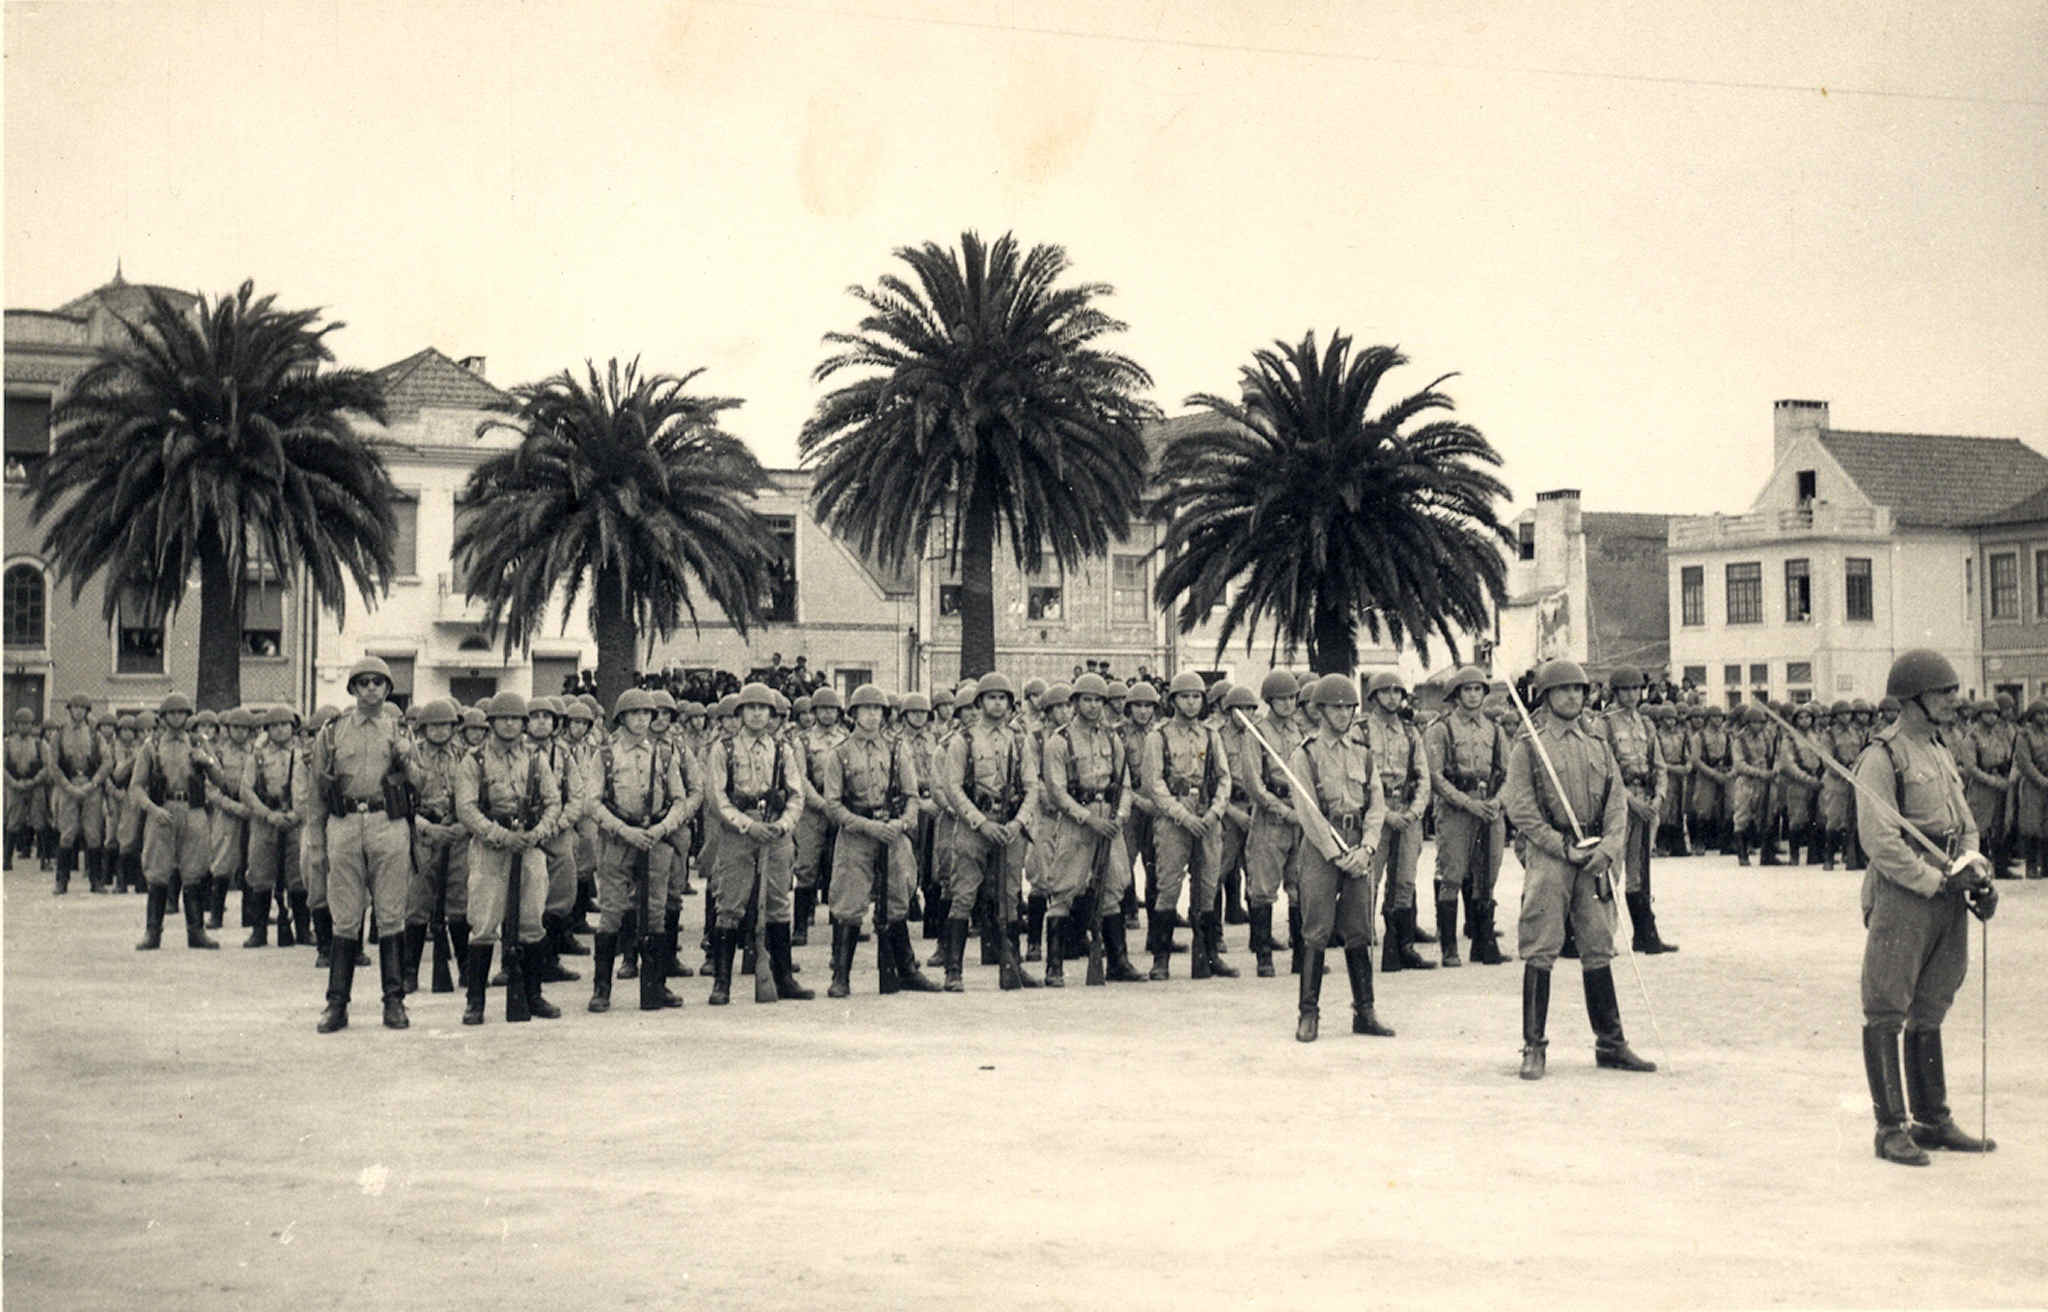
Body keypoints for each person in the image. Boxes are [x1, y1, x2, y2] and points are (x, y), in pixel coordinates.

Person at [1855, 650, 1998, 1165]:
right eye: (1944, 692)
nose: (1953, 701)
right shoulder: (1883, 757)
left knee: (1933, 1002)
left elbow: (1965, 822)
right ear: (1913, 698)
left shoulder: (1939, 749)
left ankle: (1932, 1119)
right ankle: (1890, 1128)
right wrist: (1935, 881)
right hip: (1905, 893)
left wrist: (1975, 870)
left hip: (1948, 891)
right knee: (1887, 1005)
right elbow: (1880, 840)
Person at [1502, 659, 1656, 1081]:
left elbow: (1616, 801)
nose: (1573, 696)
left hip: (1594, 857)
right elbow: (1520, 807)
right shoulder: (1529, 745)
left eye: (1578, 689)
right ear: (1546, 696)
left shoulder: (1598, 743)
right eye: (1563, 689)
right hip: (1551, 856)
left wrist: (1608, 848)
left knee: (1598, 943)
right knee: (1541, 945)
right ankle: (1534, 1046)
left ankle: (1611, 1043)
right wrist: (1560, 847)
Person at [1286, 674, 1391, 1042]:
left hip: (1358, 844)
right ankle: (1308, 1013)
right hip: (1322, 849)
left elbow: (1376, 804)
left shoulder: (1363, 753)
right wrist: (1335, 854)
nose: (1344, 714)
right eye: (1336, 707)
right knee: (1316, 928)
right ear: (1320, 711)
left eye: (1349, 707)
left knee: (1360, 927)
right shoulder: (1305, 754)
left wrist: (1368, 847)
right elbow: (1308, 812)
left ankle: (1365, 1011)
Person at [312, 659, 415, 1032]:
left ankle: (394, 1002)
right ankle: (336, 1005)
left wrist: (405, 756)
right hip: (344, 823)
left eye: (378, 682)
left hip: (388, 822)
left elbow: (421, 783)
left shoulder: (400, 729)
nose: (371, 688)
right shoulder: (332, 732)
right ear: (353, 689)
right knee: (345, 916)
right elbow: (317, 792)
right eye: (363, 682)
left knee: (391, 914)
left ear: (387, 689)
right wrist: (316, 842)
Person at [820, 684, 939, 995]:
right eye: (866, 709)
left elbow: (912, 796)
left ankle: (906, 970)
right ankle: (841, 976)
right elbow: (833, 805)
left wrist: (901, 823)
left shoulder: (898, 749)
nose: (872, 715)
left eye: (877, 709)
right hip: (857, 835)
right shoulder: (840, 753)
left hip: (892, 834)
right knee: (849, 903)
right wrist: (867, 826)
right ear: (854, 713)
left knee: (898, 899)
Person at [455, 692, 563, 1025]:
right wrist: (501, 836)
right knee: (484, 923)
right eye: (503, 718)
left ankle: (533, 995)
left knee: (532, 921)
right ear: (491, 723)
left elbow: (553, 802)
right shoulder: (474, 761)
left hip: (529, 848)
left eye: (516, 719)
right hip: (490, 850)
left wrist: (538, 832)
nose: (510, 724)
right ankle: (475, 1001)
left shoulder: (536, 759)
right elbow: (466, 809)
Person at [705, 682, 812, 1004]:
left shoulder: (782, 749)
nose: (756, 714)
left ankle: (784, 978)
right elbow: (717, 798)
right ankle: (722, 982)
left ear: (771, 714)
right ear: (739, 713)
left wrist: (783, 825)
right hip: (738, 833)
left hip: (775, 832)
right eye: (750, 708)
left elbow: (796, 794)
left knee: (778, 903)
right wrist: (747, 825)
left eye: (763, 709)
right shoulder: (723, 749)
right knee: (730, 904)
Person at [589, 688, 693, 1013]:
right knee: (612, 911)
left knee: (656, 913)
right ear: (621, 717)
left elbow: (679, 799)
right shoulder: (606, 755)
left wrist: (662, 829)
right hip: (618, 839)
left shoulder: (663, 754)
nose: (642, 719)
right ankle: (601, 988)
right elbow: (593, 802)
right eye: (634, 713)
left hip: (654, 838)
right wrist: (624, 831)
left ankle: (655, 985)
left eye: (647, 713)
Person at [1038, 673, 1144, 985]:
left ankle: (1118, 962)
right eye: (1087, 700)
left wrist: (1120, 815)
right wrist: (1087, 818)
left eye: (1099, 700)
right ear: (1074, 702)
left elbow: (1125, 783)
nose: (1093, 706)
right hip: (1077, 822)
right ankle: (1054, 967)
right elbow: (1057, 790)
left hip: (1109, 820)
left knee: (1113, 887)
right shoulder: (1059, 741)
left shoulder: (1112, 739)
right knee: (1064, 888)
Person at [1143, 671, 1235, 980]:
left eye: (1196, 697)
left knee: (1207, 886)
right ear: (1173, 701)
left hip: (1207, 817)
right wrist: (1183, 816)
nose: (1191, 703)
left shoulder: (1211, 735)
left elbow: (1224, 778)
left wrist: (1215, 812)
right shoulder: (1158, 736)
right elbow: (1154, 784)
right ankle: (1161, 959)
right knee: (1168, 886)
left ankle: (1208, 956)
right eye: (1185, 697)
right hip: (1173, 819)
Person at [1425, 665, 1512, 968]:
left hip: (1489, 809)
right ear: (1456, 694)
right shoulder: (1441, 729)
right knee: (1452, 875)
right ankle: (1449, 948)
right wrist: (1466, 803)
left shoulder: (1495, 730)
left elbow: (1508, 773)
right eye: (1467, 690)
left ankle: (1483, 942)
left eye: (1478, 689)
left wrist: (1497, 802)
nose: (1473, 695)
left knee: (1487, 875)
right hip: (1456, 810)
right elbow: (1435, 777)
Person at [1360, 672, 1434, 972]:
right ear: (1374, 696)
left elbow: (1423, 776)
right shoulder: (1361, 731)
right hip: (1375, 814)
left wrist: (1414, 812)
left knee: (1405, 881)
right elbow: (1358, 778)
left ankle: (1402, 946)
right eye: (1385, 691)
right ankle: (1363, 945)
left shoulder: (1410, 732)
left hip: (1406, 812)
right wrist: (1384, 814)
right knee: (1369, 880)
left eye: (1396, 692)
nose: (1392, 697)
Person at [1237, 671, 1308, 977]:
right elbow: (1254, 783)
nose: (1288, 704)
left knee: (1300, 886)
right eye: (1282, 699)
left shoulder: (1299, 732)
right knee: (1263, 888)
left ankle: (1301, 954)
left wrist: (1303, 810)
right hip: (1271, 818)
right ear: (1269, 701)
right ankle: (1263, 955)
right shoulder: (1256, 734)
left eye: (1292, 698)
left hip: (1299, 815)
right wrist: (1281, 809)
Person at [1601, 668, 1676, 955]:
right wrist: (1631, 802)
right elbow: (1606, 771)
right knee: (1612, 871)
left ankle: (1645, 934)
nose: (1632, 695)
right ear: (1615, 692)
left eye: (1636, 689)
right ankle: (1604, 938)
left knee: (1640, 872)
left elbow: (1659, 765)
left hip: (1646, 802)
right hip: (1619, 805)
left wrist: (1659, 797)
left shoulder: (1646, 724)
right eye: (1625, 689)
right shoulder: (1605, 725)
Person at [240, 705, 306, 948]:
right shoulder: (257, 758)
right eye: (274, 726)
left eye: (284, 725)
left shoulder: (303, 756)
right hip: (265, 820)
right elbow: (246, 791)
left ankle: (302, 929)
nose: (279, 730)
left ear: (292, 727)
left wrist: (297, 814)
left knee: (298, 875)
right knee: (260, 873)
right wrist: (268, 815)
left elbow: (310, 790)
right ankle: (259, 931)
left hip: (295, 821)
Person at [51, 693, 109, 894]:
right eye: (75, 707)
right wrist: (68, 787)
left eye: (82, 708)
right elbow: (53, 765)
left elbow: (107, 761)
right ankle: (61, 881)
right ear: (69, 710)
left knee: (93, 834)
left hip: (91, 787)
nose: (78, 711)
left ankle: (96, 880)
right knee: (67, 834)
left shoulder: (95, 735)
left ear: (87, 711)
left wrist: (93, 783)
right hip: (68, 786)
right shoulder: (59, 734)